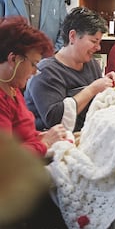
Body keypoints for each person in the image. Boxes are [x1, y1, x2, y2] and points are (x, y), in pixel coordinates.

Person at [24, 7, 115, 133]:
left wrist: (106, 83)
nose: (98, 47)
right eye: (93, 41)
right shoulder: (46, 72)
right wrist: (92, 89)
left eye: (99, 42)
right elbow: (55, 120)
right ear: (73, 36)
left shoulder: (91, 64)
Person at [0, 16, 68, 157]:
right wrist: (44, 143)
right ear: (14, 59)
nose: (34, 71)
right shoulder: (3, 97)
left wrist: (40, 137)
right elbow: (5, 158)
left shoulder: (12, 87)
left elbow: (20, 135)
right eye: (33, 64)